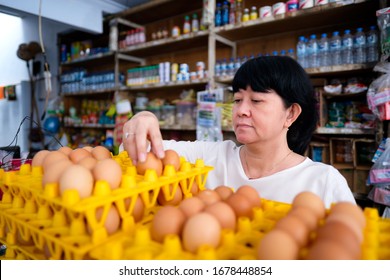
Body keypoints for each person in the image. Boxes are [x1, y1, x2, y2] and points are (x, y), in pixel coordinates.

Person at [122, 56, 355, 208]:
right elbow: (135, 152)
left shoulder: (323, 182)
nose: (241, 110)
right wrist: (144, 118)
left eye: (256, 100)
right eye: (237, 99)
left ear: (290, 114)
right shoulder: (211, 157)